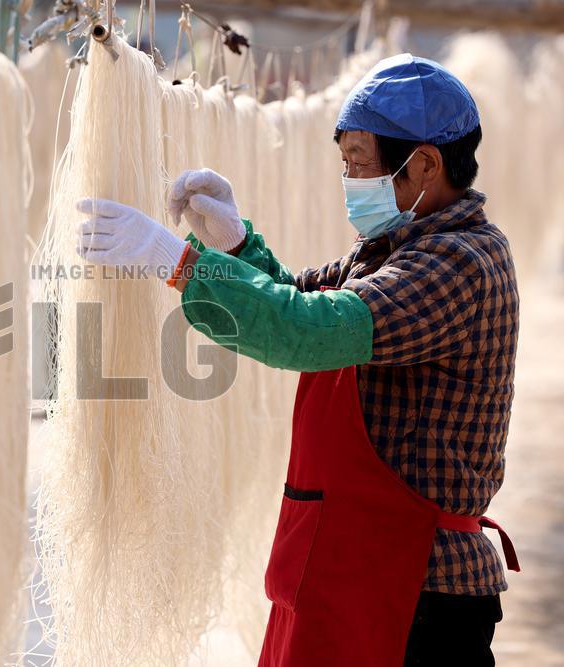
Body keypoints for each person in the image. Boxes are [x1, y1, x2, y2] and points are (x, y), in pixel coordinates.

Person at [76, 53, 520, 667]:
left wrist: (176, 261)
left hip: (417, 594)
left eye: (358, 162)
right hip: (348, 568)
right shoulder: (388, 251)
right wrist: (236, 244)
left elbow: (306, 327)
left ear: (423, 165)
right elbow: (296, 296)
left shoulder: (460, 263)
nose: (349, 179)